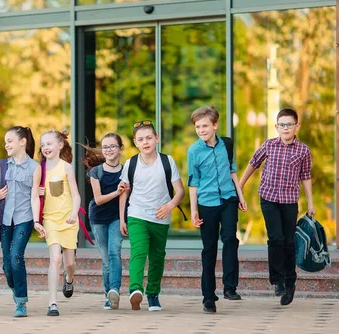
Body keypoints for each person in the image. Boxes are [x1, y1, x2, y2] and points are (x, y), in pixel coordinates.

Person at [239, 108, 314, 306]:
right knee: (275, 239)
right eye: (282, 124)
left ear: (297, 126)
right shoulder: (269, 145)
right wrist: (240, 185)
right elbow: (253, 163)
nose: (286, 128)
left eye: (289, 124)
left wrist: (311, 203)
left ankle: (290, 283)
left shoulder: (303, 150)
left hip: (289, 201)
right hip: (269, 198)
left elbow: (306, 177)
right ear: (276, 127)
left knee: (289, 242)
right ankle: (278, 281)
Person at [119, 120, 185, 311]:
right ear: (135, 142)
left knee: (157, 257)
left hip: (160, 217)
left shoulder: (167, 161)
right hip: (137, 214)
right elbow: (123, 191)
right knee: (138, 252)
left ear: (157, 138)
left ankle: (153, 294)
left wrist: (170, 205)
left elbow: (179, 191)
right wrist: (123, 218)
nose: (145, 142)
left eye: (149, 137)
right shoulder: (131, 163)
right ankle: (135, 290)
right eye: (141, 139)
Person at [187, 106, 247, 314]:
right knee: (209, 249)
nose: (201, 130)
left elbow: (232, 170)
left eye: (204, 126)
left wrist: (241, 196)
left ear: (215, 125)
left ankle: (230, 287)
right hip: (207, 203)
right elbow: (193, 182)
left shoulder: (226, 145)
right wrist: (194, 210)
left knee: (230, 238)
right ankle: (208, 297)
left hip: (229, 199)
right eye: (197, 126)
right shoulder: (194, 151)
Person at [0, 126, 40, 318]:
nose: (6, 144)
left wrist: (36, 220)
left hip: (24, 218)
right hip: (5, 219)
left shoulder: (35, 167)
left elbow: (35, 196)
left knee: (16, 257)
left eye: (10, 140)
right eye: (5, 141)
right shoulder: (3, 165)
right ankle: (15, 287)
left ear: (23, 142)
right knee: (7, 264)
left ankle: (21, 302)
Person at [31, 129, 79, 317]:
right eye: (43, 145)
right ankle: (52, 303)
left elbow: (75, 195)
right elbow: (34, 195)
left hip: (68, 219)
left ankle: (69, 279)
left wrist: (74, 213)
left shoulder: (66, 167)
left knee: (69, 263)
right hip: (50, 219)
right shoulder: (39, 169)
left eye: (49, 144)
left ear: (60, 145)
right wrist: (37, 219)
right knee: (55, 259)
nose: (45, 148)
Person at [82, 133, 125, 310]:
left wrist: (124, 219)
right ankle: (108, 294)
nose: (108, 150)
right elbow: (98, 200)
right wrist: (118, 192)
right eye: (105, 147)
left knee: (115, 253)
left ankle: (114, 290)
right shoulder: (96, 172)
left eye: (113, 146)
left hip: (116, 217)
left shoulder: (127, 170)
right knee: (106, 260)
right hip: (98, 218)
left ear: (121, 149)